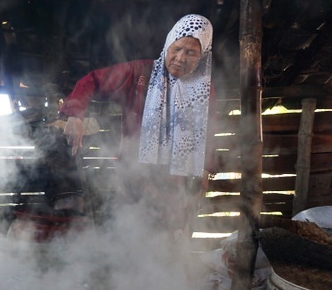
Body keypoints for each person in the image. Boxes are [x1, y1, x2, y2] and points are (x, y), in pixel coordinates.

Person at [55, 13, 217, 238]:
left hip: (177, 182)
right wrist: (74, 116)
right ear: (168, 44)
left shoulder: (204, 91)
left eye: (191, 52)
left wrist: (205, 170)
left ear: (202, 56)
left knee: (172, 240)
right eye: (177, 48)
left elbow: (207, 133)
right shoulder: (139, 73)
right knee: (131, 237)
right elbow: (91, 80)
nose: (181, 57)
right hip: (134, 175)